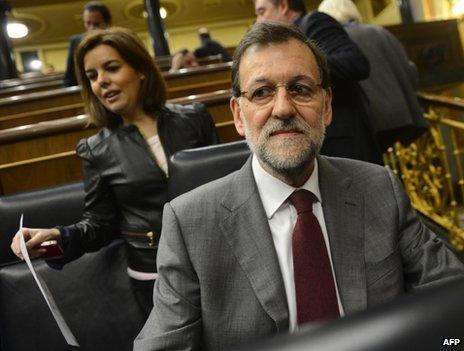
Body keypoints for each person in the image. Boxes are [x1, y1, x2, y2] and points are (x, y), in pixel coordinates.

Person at [133, 22, 464, 350]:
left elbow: (452, 299)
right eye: (262, 92)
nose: (283, 108)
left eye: (300, 89)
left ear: (327, 105)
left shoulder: (379, 188)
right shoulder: (189, 223)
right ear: (237, 114)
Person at [10, 27, 219, 316]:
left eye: (111, 68)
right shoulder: (96, 149)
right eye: (92, 76)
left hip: (216, 259)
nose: (102, 82)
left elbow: (228, 192)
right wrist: (56, 237)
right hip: (155, 276)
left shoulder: (194, 118)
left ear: (140, 70)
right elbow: (99, 225)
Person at [254, 0, 382, 164]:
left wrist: (302, 67)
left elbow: (356, 62)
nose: (259, 20)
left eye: (262, 11)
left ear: (284, 6)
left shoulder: (314, 21)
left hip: (343, 140)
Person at [318, 0, 428, 151]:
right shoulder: (380, 31)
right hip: (403, 116)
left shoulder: (337, 43)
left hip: (371, 123)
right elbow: (411, 70)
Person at [63, 1, 111, 87]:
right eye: (88, 23)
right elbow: (69, 78)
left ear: (108, 23)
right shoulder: (75, 42)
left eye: (96, 24)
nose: (91, 28)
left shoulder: (116, 40)